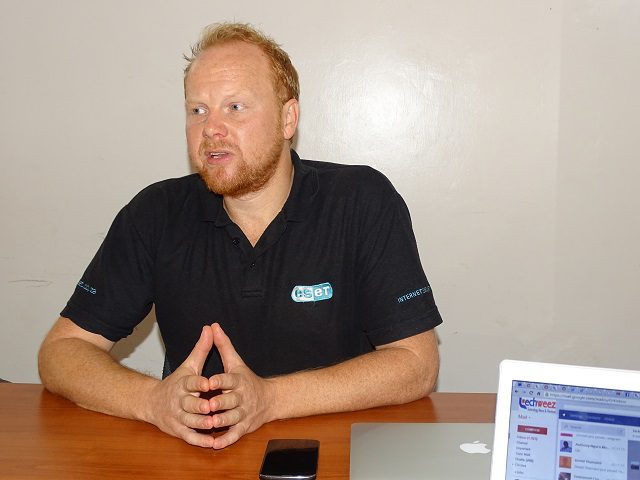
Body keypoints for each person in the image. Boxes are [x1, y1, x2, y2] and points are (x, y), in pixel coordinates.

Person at [38, 22, 442, 449]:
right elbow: (60, 352)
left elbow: (416, 364)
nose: (211, 128)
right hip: (202, 455)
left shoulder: (362, 201)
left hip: (336, 451)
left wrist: (270, 399)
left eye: (234, 107)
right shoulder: (155, 213)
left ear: (288, 118)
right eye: (198, 110)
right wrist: (151, 401)